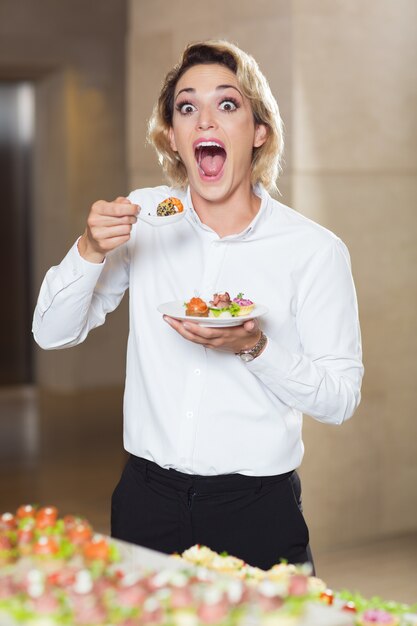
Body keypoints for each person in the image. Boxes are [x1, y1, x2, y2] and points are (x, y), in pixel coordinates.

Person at [33, 40, 363, 570]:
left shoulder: (315, 250)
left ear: (259, 132)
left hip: (256, 508)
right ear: (172, 135)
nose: (205, 120)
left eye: (227, 104)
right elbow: (51, 334)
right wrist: (88, 250)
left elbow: (341, 399)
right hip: (145, 500)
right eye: (187, 107)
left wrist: (254, 345)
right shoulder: (143, 215)